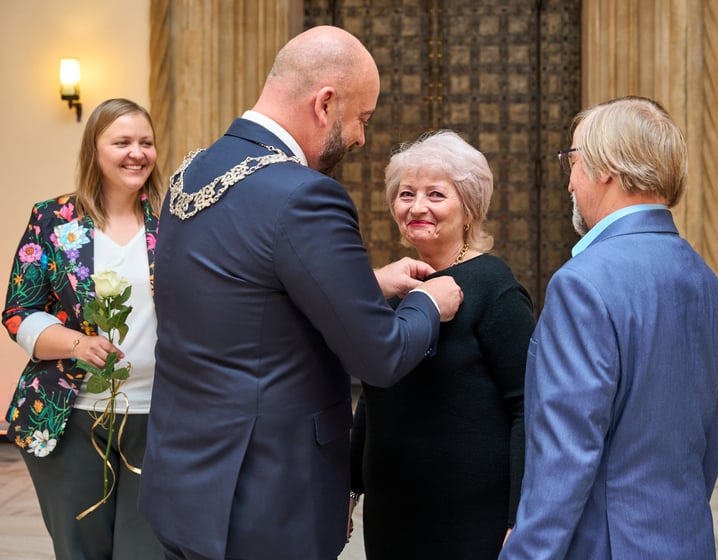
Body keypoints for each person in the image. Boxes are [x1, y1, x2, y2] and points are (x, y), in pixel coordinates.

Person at [137, 25, 463, 560]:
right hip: (266, 499)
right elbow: (379, 354)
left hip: (184, 484)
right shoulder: (305, 196)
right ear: (325, 103)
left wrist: (365, 284)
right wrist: (430, 303)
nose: (361, 138)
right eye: (362, 118)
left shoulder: (189, 171)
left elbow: (237, 296)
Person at [500, 96, 718, 559]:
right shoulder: (708, 283)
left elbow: (564, 459)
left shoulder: (583, 284)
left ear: (605, 168)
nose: (569, 182)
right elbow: (710, 442)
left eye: (573, 159)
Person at [348, 131, 535, 558]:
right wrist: (351, 488)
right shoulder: (399, 284)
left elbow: (527, 405)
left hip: (469, 517)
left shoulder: (494, 287)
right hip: (392, 512)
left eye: (435, 194)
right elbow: (373, 394)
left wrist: (518, 516)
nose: (416, 207)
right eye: (406, 194)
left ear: (468, 207)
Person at [2, 98, 166, 559]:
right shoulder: (52, 221)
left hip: (160, 416)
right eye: (122, 142)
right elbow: (20, 310)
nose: (137, 153)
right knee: (82, 551)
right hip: (68, 415)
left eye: (146, 142)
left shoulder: (175, 222)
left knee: (148, 551)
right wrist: (76, 343)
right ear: (94, 150)